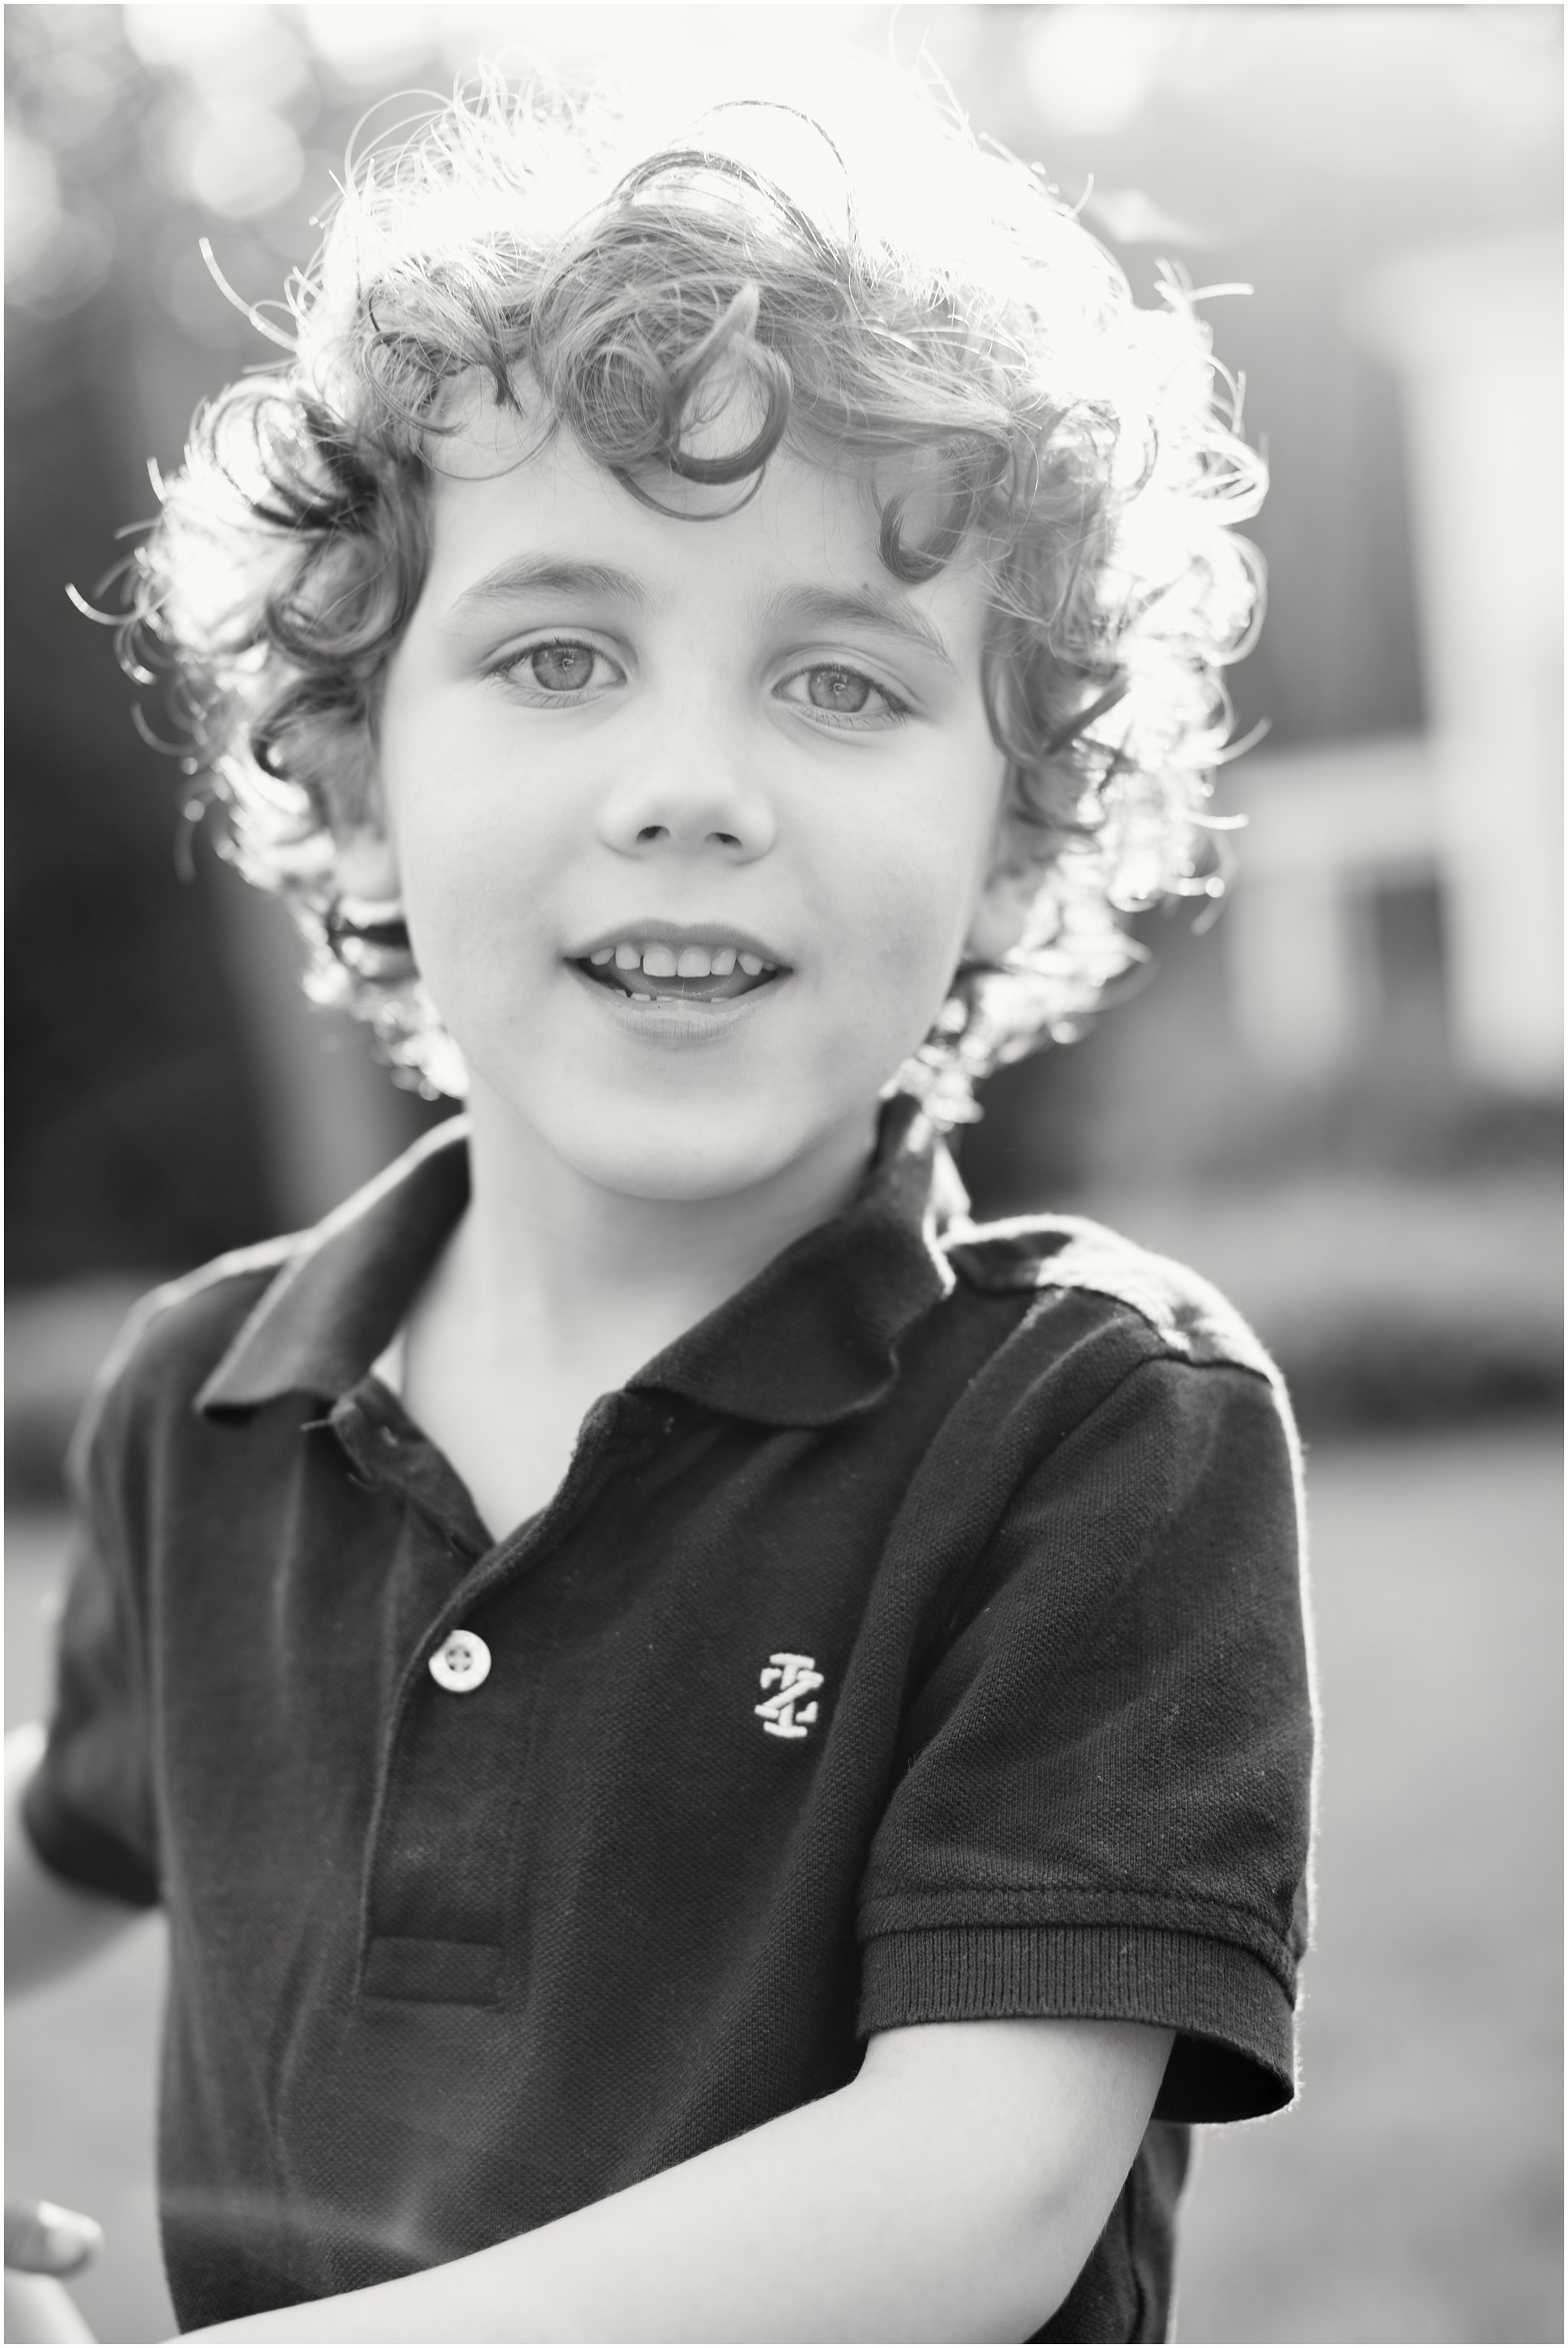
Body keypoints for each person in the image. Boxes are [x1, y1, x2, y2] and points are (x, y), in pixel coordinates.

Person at [5, 51, 1313, 2345]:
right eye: (558, 656)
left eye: (841, 681)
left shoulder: (1102, 1425)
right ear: (355, 770)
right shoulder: (207, 1397)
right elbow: (70, 1824)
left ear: (1019, 835)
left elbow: (972, 2194)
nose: (689, 786)